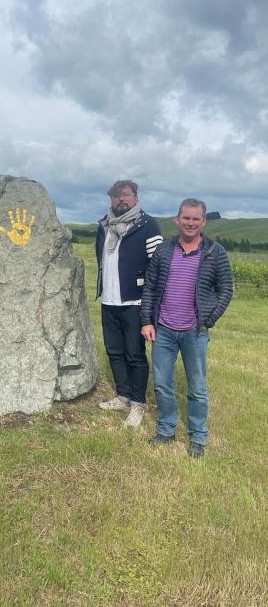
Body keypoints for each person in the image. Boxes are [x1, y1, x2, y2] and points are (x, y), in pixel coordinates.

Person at [141, 198, 233, 457]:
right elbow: (150, 287)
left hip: (195, 331)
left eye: (196, 218)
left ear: (203, 222)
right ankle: (167, 429)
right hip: (164, 329)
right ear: (177, 219)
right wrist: (147, 321)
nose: (190, 223)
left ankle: (198, 436)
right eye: (186, 218)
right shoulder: (164, 250)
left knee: (198, 387)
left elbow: (225, 290)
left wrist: (208, 319)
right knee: (161, 383)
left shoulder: (215, 252)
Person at [96, 180, 162, 426]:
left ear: (135, 197)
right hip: (109, 301)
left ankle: (138, 403)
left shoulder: (147, 225)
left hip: (135, 303)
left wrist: (151, 305)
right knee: (114, 351)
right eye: (115, 196)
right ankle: (123, 396)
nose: (120, 200)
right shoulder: (104, 226)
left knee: (134, 354)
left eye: (125, 195)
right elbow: (100, 259)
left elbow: (158, 266)